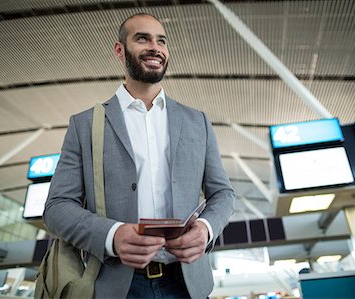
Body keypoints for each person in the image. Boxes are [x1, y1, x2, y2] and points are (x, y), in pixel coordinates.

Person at [43, 13, 235, 298]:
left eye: (161, 41)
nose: (155, 47)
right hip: (116, 285)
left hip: (187, 284)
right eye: (142, 38)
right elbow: (57, 207)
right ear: (119, 50)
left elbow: (223, 193)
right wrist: (112, 235)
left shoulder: (198, 122)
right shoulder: (85, 125)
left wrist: (206, 229)